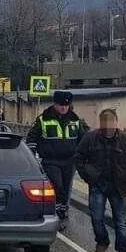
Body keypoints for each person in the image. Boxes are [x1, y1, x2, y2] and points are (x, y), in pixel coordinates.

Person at [75, 108, 126, 252]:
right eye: (105, 124)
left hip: (118, 186)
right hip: (98, 185)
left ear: (116, 123)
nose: (108, 128)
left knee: (120, 222)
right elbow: (78, 157)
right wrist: (87, 175)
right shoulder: (91, 138)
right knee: (96, 217)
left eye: (111, 124)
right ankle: (102, 241)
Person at [26, 90, 87, 231]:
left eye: (66, 105)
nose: (64, 108)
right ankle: (58, 213)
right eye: (61, 105)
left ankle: (63, 212)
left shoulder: (74, 119)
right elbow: (32, 138)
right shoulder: (43, 119)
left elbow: (82, 139)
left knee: (66, 187)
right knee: (57, 186)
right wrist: (32, 156)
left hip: (70, 161)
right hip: (50, 160)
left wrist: (83, 155)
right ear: (55, 104)